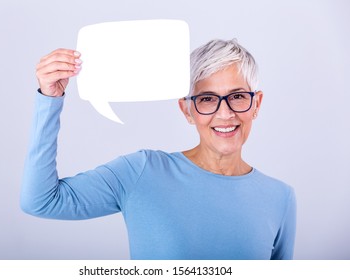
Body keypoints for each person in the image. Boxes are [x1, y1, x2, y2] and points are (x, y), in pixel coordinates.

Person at [21, 39, 296, 260]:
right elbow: (41, 201)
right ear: (187, 110)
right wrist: (50, 97)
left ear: (256, 104)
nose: (224, 114)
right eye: (207, 99)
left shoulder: (280, 197)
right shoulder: (142, 172)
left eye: (237, 96)